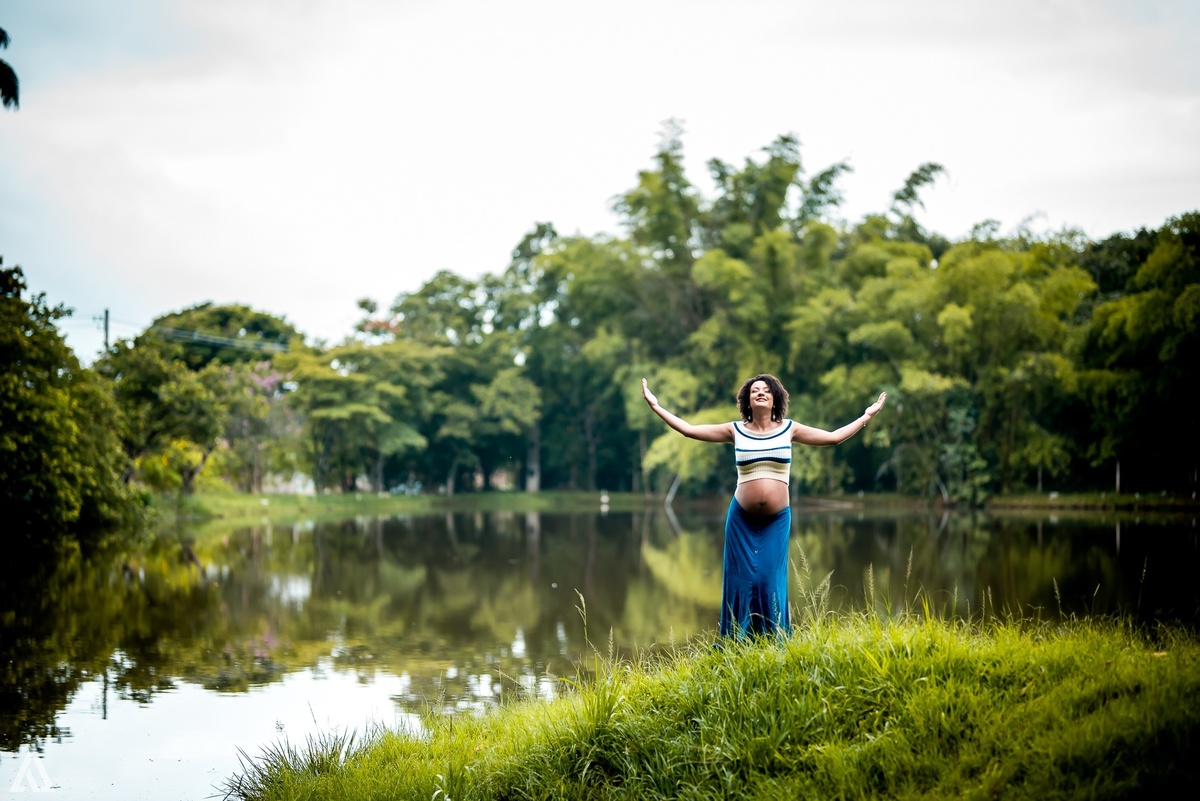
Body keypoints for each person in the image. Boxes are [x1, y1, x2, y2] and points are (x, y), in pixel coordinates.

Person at [641, 374, 886, 637]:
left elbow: (833, 438)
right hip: (741, 519)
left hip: (777, 519)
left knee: (768, 579)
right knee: (742, 580)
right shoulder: (734, 430)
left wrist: (867, 416)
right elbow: (688, 430)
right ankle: (738, 638)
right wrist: (656, 406)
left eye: (767, 390)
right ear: (747, 400)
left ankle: (774, 636)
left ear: (775, 399)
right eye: (755, 390)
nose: (761, 393)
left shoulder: (789, 429)